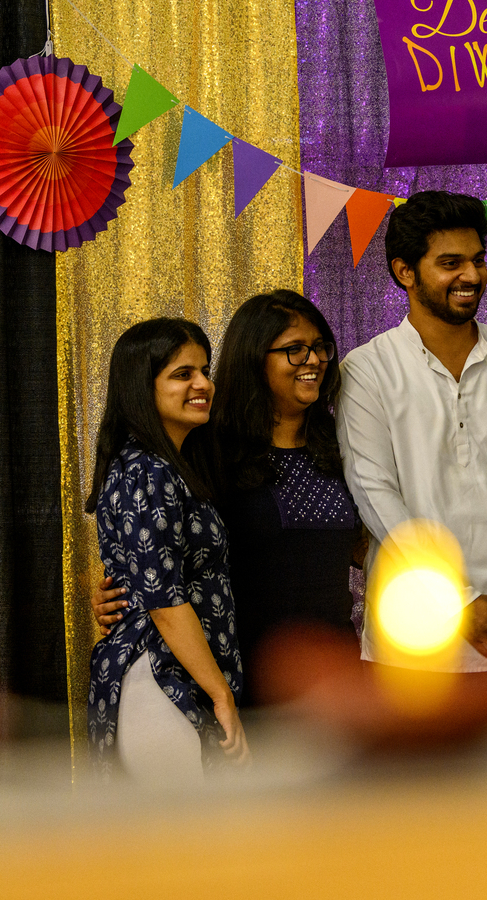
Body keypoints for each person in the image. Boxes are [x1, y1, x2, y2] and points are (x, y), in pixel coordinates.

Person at [336, 190, 487, 727]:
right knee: (429, 810)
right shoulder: (367, 370)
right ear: (405, 272)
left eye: (477, 260)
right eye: (450, 264)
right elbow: (376, 495)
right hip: (417, 649)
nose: (471, 275)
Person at [94, 292, 361, 707]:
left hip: (337, 666)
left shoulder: (343, 440)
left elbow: (365, 539)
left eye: (320, 347)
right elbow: (159, 544)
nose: (314, 360)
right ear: (255, 358)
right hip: (251, 672)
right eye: (295, 350)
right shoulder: (207, 446)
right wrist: (120, 592)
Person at [86, 318, 248, 782]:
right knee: (181, 842)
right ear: (143, 387)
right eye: (183, 374)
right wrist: (221, 695)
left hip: (178, 676)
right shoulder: (147, 473)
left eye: (204, 370)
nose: (203, 384)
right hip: (159, 676)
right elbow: (163, 602)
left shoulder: (171, 466)